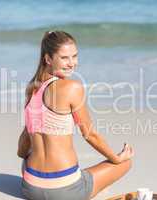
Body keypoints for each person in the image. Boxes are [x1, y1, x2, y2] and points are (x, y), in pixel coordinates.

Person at [17, 30, 134, 200]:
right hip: (65, 190)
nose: (72, 63)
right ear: (48, 59)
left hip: (30, 187)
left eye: (75, 56)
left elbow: (22, 149)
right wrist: (116, 158)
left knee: (31, 157)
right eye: (64, 58)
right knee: (125, 163)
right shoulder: (72, 87)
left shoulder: (32, 89)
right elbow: (90, 135)